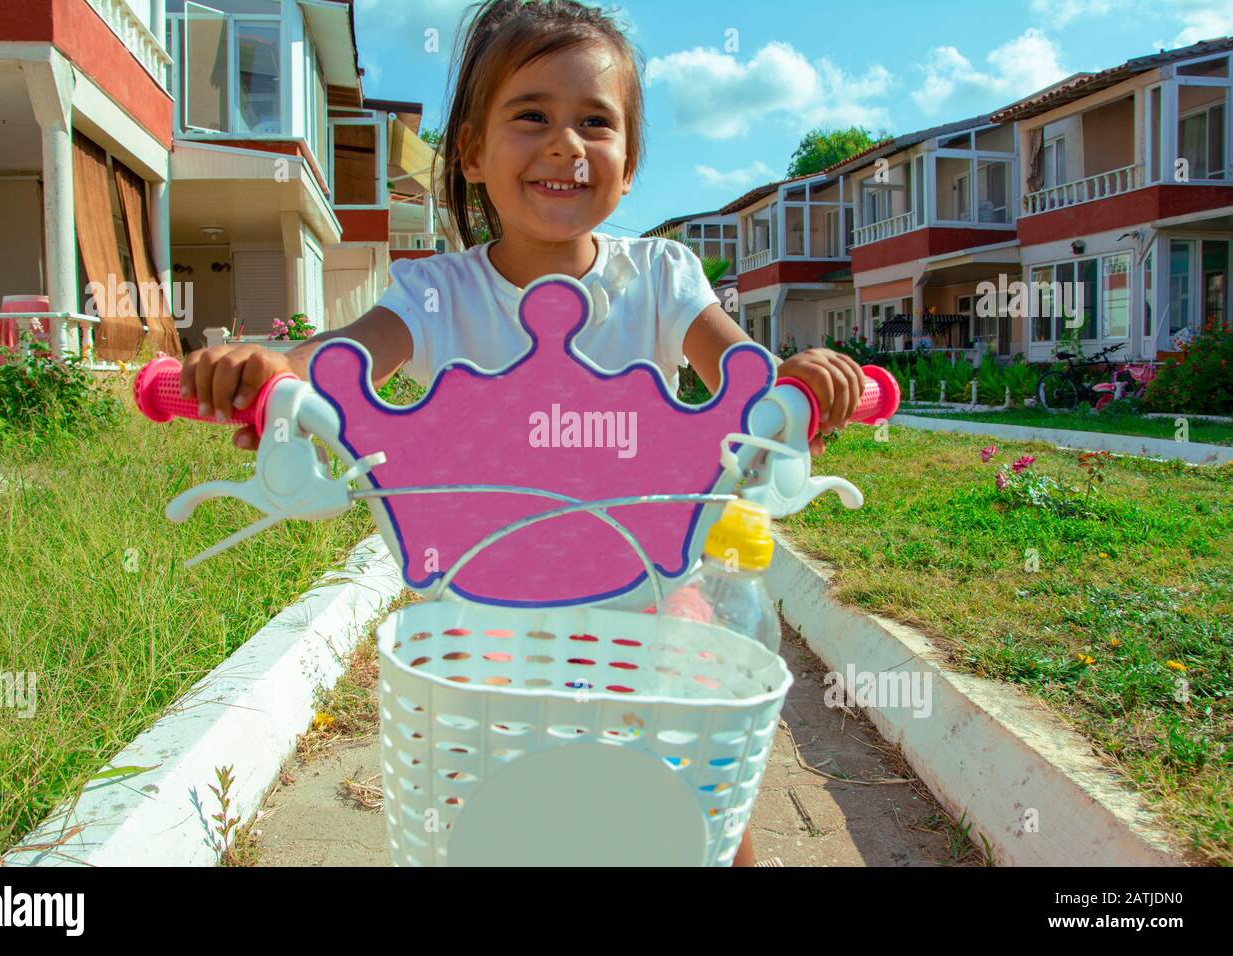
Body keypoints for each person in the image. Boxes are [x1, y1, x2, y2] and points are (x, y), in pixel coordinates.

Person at [179, 0, 866, 866]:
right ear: (471, 151)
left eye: (595, 123)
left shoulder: (661, 275)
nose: (564, 144)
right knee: (475, 816)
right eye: (531, 115)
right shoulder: (438, 294)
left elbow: (746, 376)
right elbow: (336, 362)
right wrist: (269, 366)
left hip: (646, 602)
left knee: (704, 802)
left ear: (628, 163)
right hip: (484, 620)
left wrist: (804, 387)